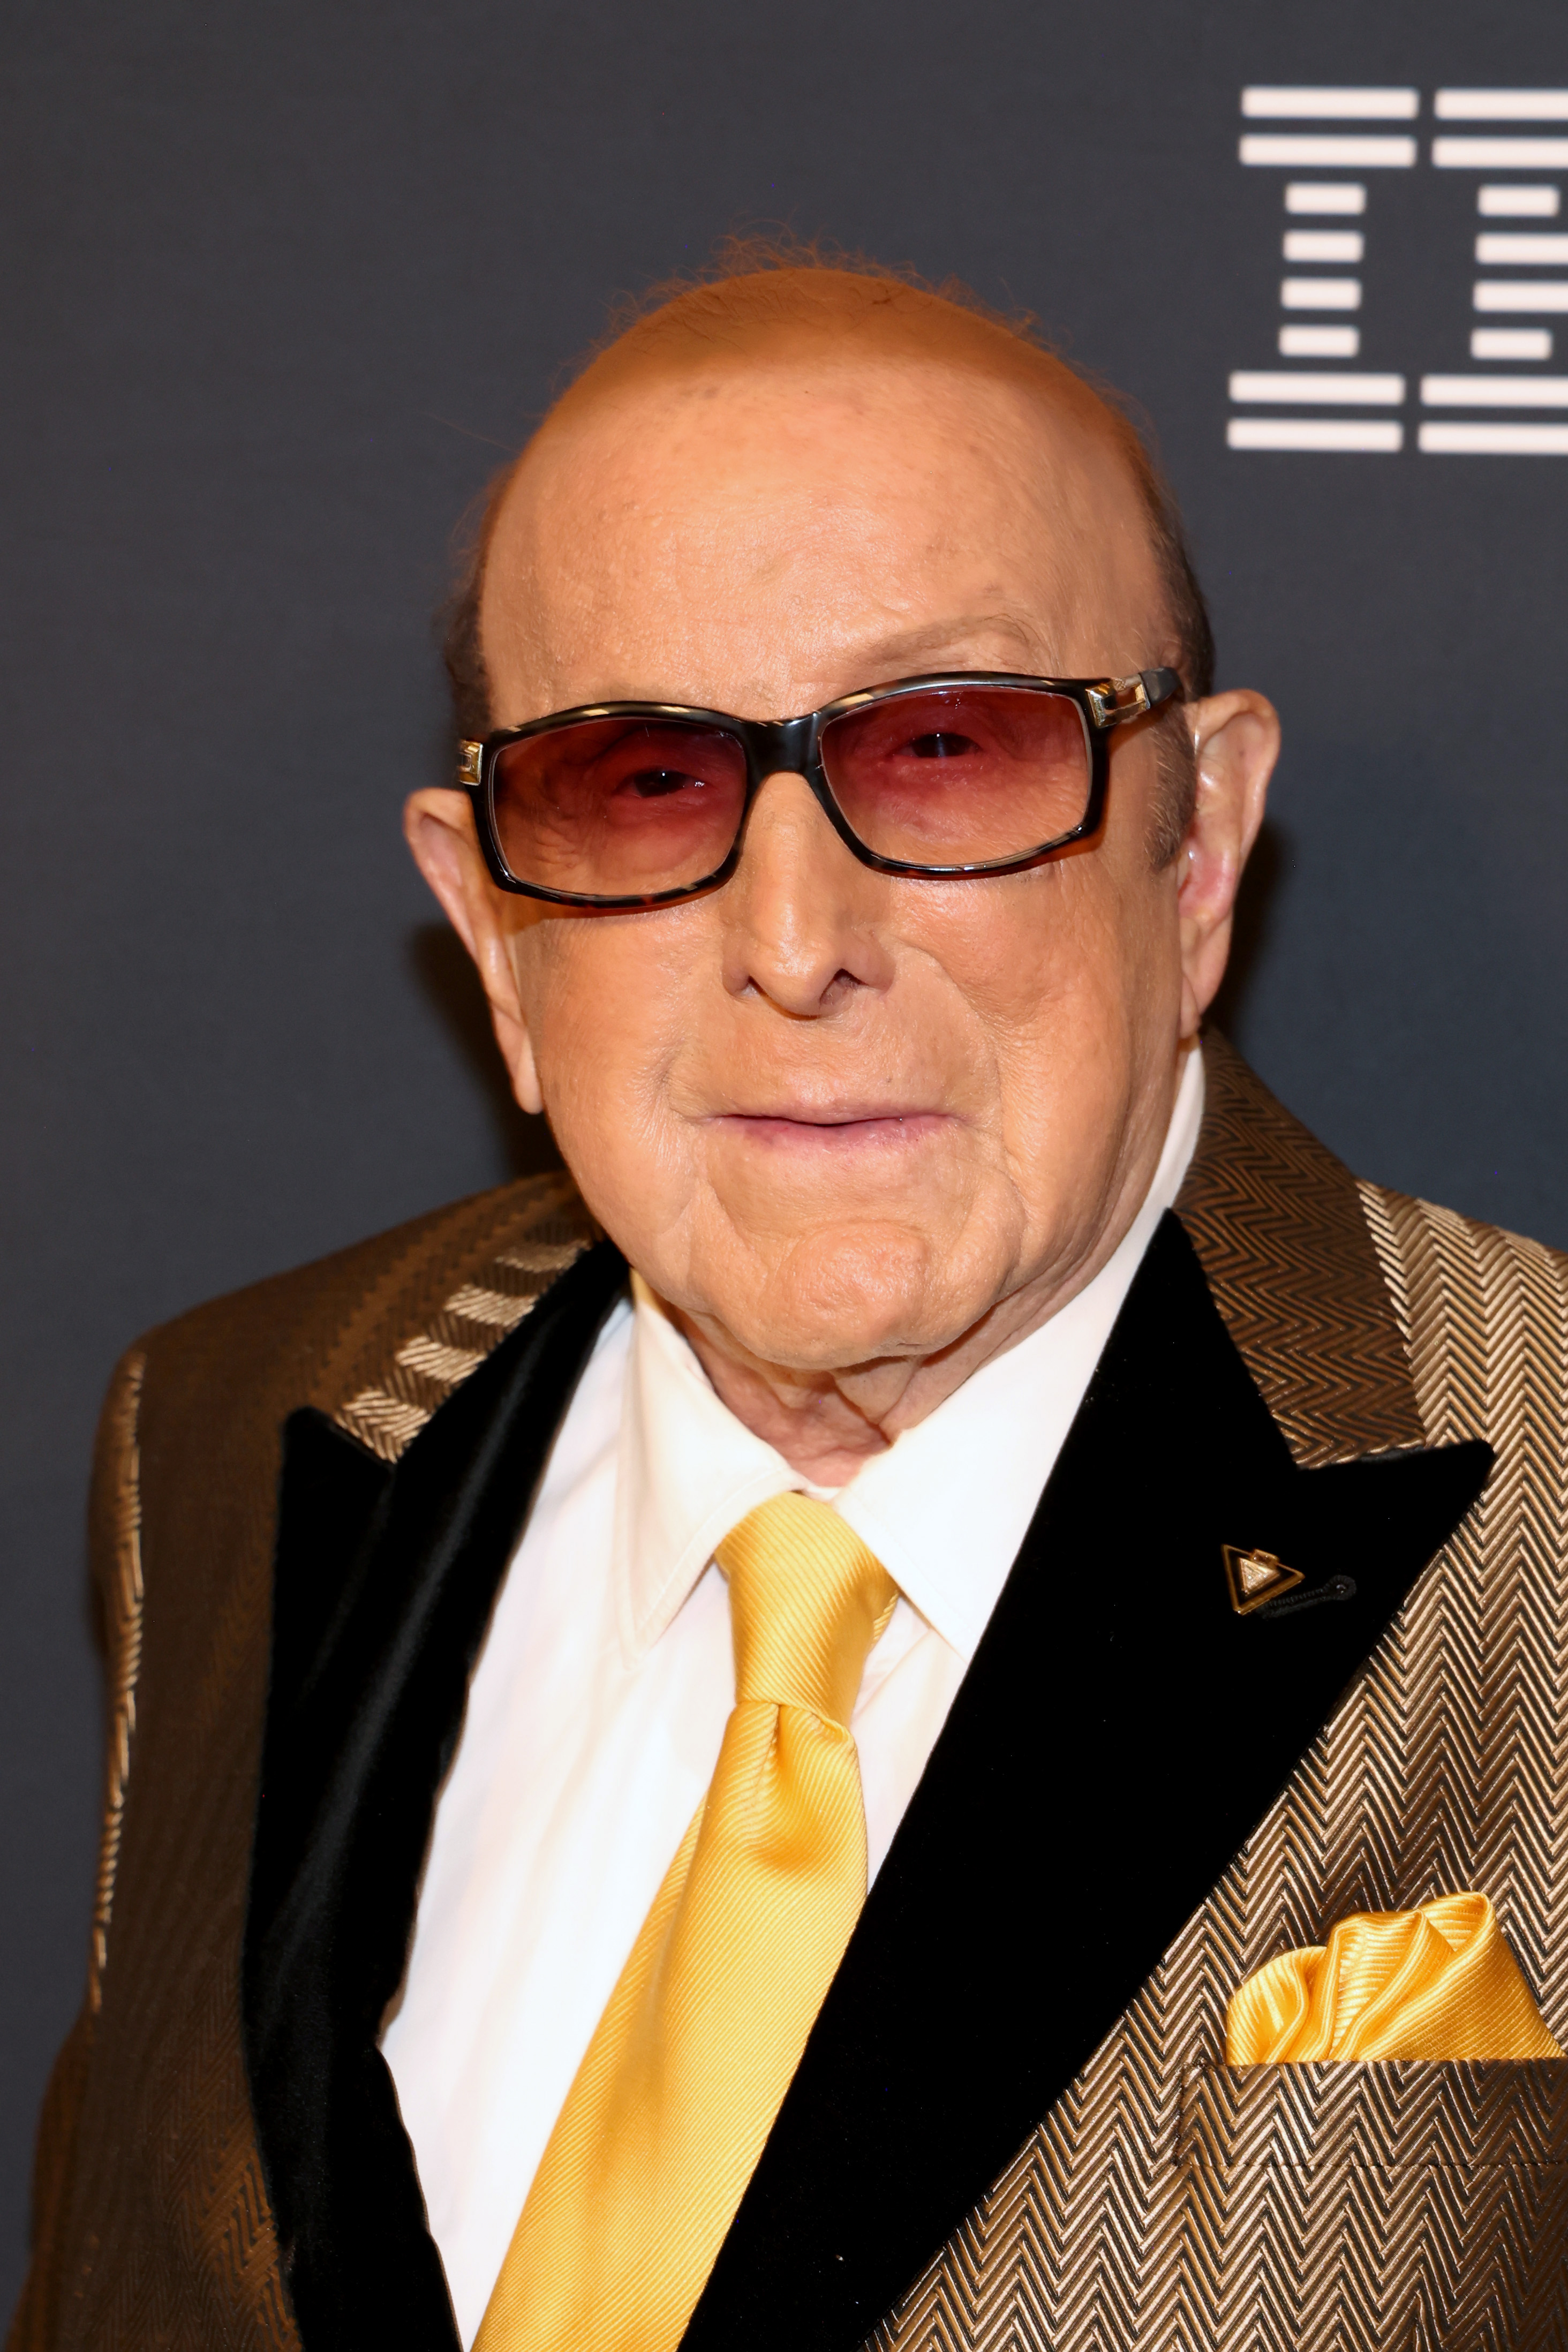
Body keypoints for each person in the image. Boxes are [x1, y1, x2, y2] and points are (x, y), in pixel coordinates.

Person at [11, 248, 1568, 2352]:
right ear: (489, 931)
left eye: (945, 751)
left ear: (1196, 849)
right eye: (640, 783)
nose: (797, 939)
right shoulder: (231, 1434)